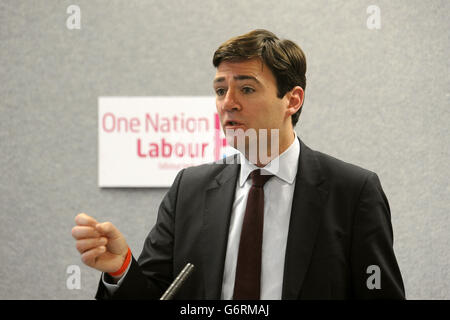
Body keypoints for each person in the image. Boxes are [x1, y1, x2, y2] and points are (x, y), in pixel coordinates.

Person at [72, 29, 405, 300]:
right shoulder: (190, 188)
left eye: (246, 88)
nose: (228, 103)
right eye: (220, 90)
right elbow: (159, 296)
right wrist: (121, 269)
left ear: (292, 99)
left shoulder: (352, 191)